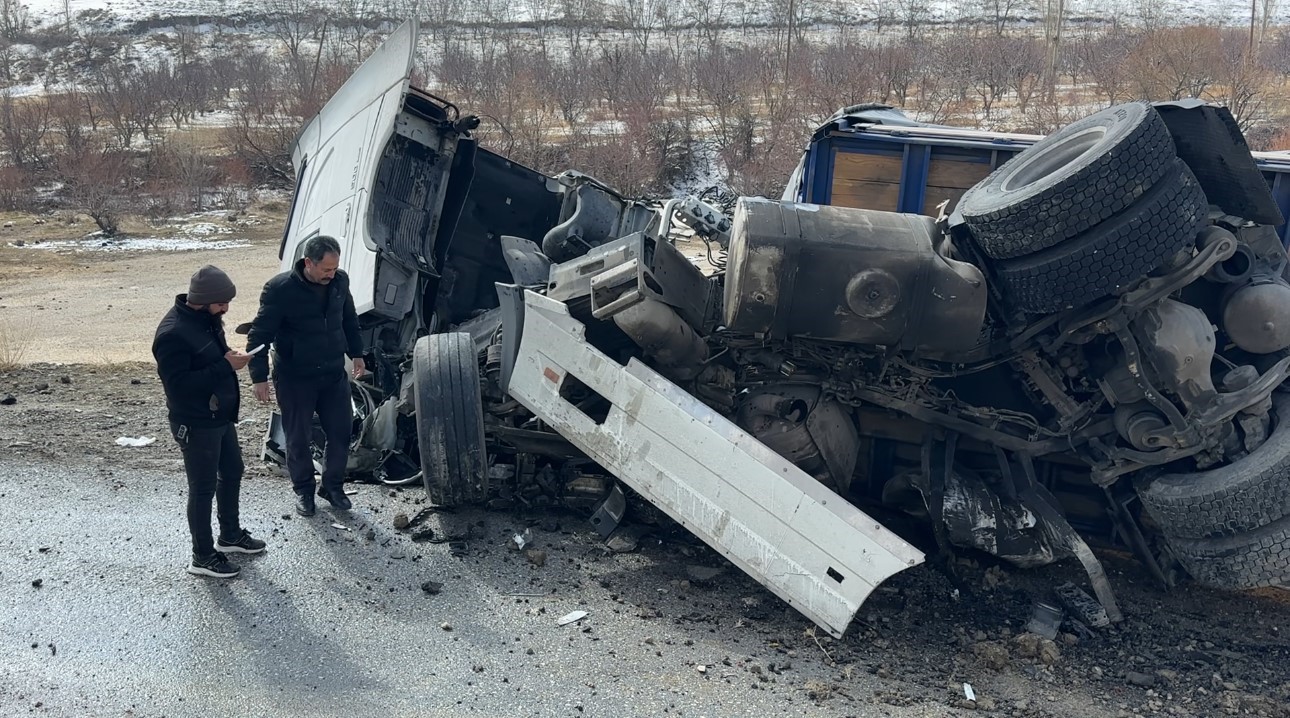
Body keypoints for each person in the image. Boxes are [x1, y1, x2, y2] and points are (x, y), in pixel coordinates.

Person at [153, 265, 266, 579]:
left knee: (232, 471)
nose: (226, 308)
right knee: (202, 489)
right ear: (202, 301)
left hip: (218, 416)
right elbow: (179, 385)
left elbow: (209, 357)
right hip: (195, 421)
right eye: (221, 303)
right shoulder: (172, 334)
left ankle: (230, 535)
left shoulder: (206, 320)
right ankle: (202, 556)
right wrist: (226, 365)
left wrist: (229, 354)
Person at [247, 235, 365, 517]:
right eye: (326, 269)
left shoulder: (339, 282)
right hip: (295, 377)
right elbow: (259, 335)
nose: (331, 274)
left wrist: (357, 353)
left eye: (335, 268)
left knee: (341, 432)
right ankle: (303, 490)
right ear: (308, 263)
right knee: (298, 437)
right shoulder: (280, 289)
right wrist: (259, 377)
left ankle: (332, 487)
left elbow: (349, 319)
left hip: (333, 374)